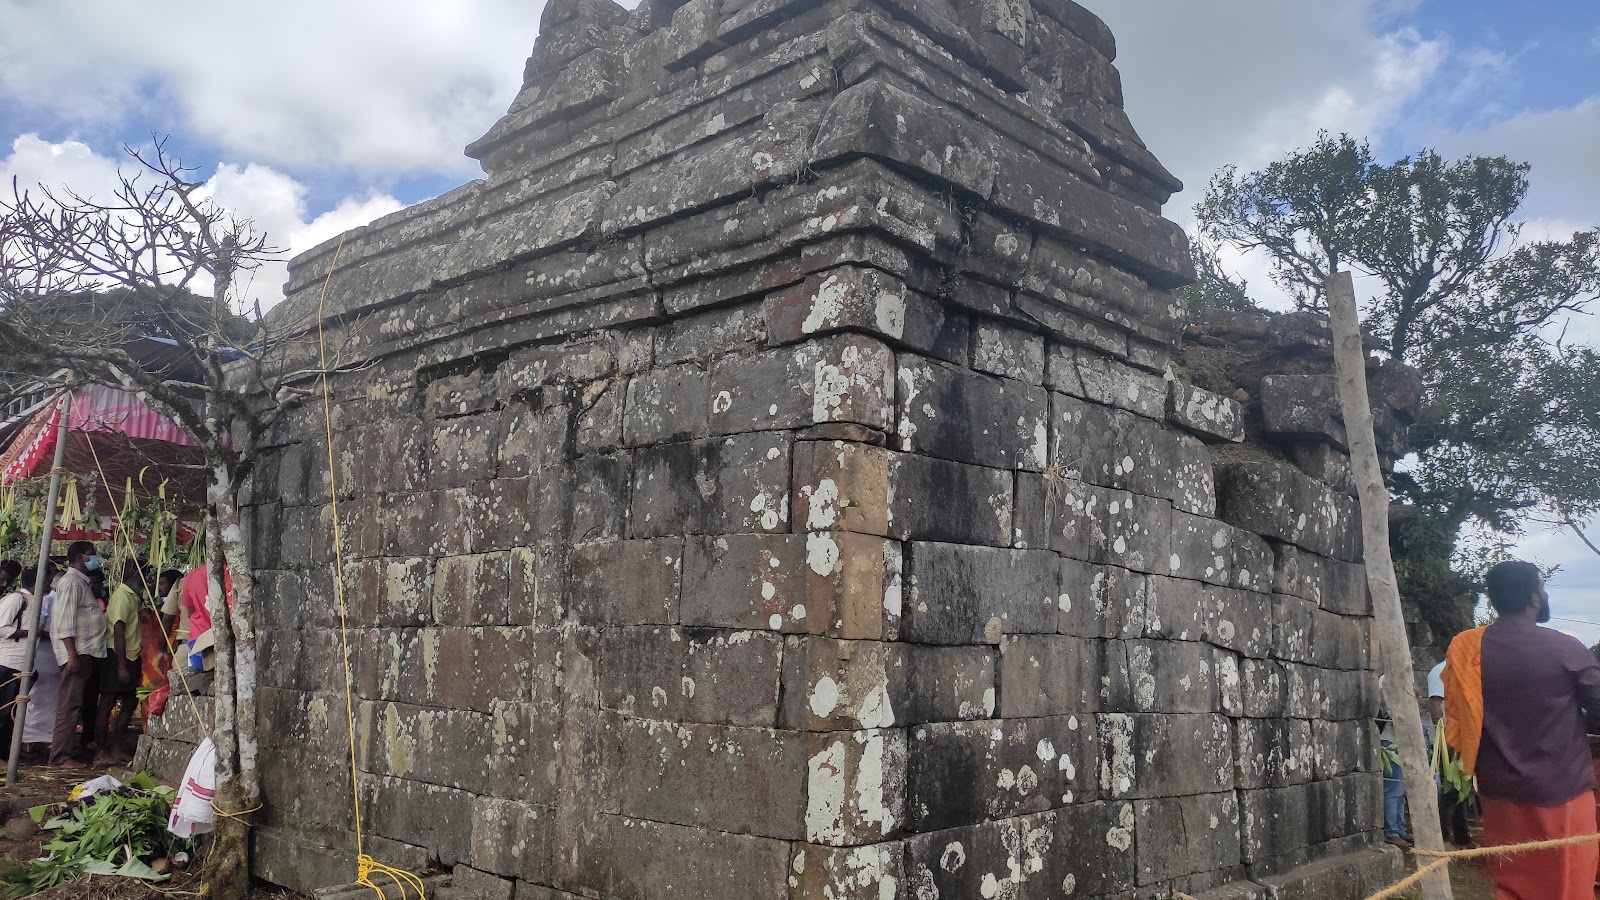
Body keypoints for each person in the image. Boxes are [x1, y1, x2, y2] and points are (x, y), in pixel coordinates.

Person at [1443, 560, 1600, 900]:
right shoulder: (1566, 649)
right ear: (1534, 598)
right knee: (1567, 883)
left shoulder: (1470, 649)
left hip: (1499, 791)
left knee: (1514, 883)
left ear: (1492, 597)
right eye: (1542, 588)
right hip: (1563, 790)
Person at [49, 541, 108, 768]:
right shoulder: (72, 583)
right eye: (92, 555)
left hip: (86, 652)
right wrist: (71, 654)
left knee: (77, 704)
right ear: (80, 557)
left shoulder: (79, 583)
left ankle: (67, 751)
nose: (95, 559)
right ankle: (60, 756)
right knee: (70, 704)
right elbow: (66, 621)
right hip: (78, 652)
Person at [96, 559, 143, 764]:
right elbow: (118, 629)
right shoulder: (122, 596)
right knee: (107, 702)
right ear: (134, 573)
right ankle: (100, 750)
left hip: (132, 654)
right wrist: (122, 664)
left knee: (130, 701)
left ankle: (116, 746)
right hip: (119, 655)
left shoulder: (133, 597)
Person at [1427, 660, 1475, 848]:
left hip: (1463, 739)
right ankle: (1443, 837)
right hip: (1449, 740)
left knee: (1461, 790)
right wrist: (1446, 738)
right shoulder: (1441, 671)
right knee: (1450, 791)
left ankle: (1462, 837)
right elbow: (1435, 704)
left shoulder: (1463, 670)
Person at [0, 566, 36, 755]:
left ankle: (7, 753)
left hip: (24, 665)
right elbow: (2, 629)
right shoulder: (16, 599)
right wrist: (31, 634)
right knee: (4, 711)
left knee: (14, 711)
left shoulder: (34, 601)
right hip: (9, 663)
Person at [1376, 675, 1411, 848]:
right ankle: (1391, 832)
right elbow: (1394, 713)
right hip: (1390, 740)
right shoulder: (1389, 680)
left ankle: (1400, 829)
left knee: (1400, 790)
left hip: (1399, 742)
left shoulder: (1396, 680)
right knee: (1393, 789)